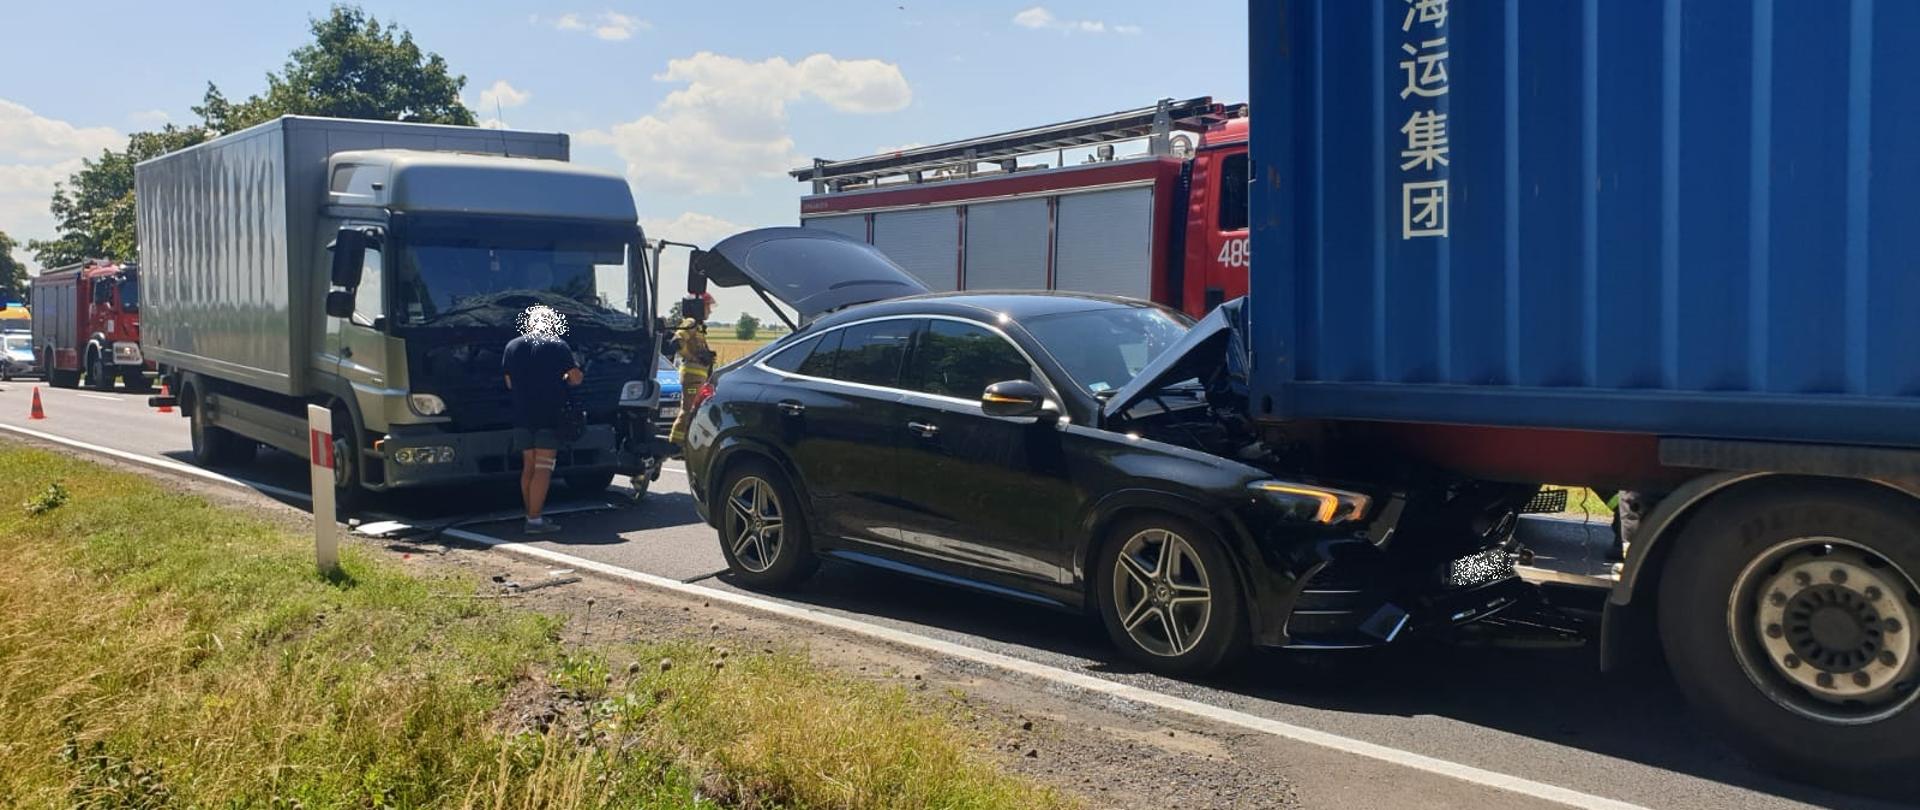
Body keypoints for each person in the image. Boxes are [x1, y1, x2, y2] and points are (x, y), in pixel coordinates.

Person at [503, 304, 583, 534]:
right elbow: (575, 378)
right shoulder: (558, 346)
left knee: (528, 466)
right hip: (549, 414)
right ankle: (535, 520)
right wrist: (565, 378)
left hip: (521, 414)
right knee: (544, 467)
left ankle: (530, 515)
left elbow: (509, 382)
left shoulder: (512, 346)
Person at [665, 293, 717, 452]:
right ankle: (675, 444)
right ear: (700, 307)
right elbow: (678, 341)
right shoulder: (691, 323)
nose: (710, 311)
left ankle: (684, 443)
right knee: (689, 408)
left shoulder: (698, 327)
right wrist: (693, 357)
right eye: (708, 306)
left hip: (698, 378)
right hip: (692, 380)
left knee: (695, 409)